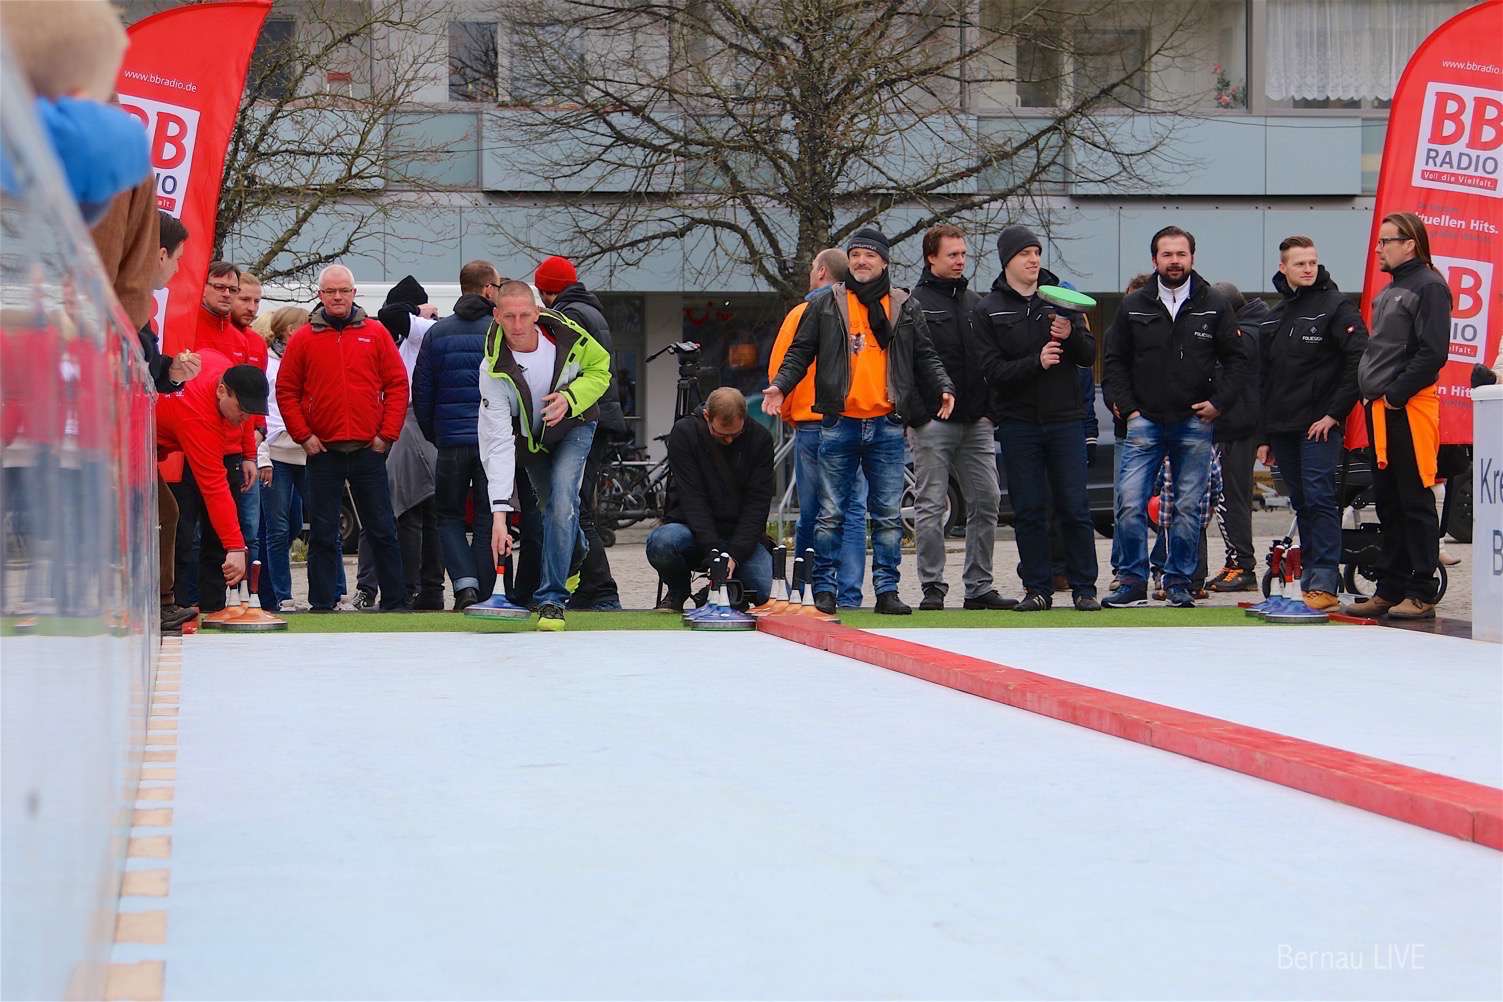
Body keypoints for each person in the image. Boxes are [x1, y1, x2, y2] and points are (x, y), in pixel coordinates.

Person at [763, 227, 955, 616]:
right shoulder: (827, 303)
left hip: (886, 423)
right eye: (855, 255)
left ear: (884, 261)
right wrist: (781, 386)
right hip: (840, 422)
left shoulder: (903, 304)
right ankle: (825, 590)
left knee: (886, 515)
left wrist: (943, 386)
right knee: (830, 514)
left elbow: (925, 355)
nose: (861, 261)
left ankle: (887, 591)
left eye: (869, 255)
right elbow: (800, 351)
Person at [1102, 225, 1247, 608]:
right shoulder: (1133, 305)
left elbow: (1237, 361)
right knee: (1129, 503)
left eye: (1181, 254)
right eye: (1167, 254)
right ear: (1155, 260)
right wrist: (1128, 409)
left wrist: (1218, 403)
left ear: (1192, 257)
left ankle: (1179, 582)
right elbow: (1114, 361)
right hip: (1144, 422)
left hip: (1194, 422)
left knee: (1188, 507)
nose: (1175, 261)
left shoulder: (1214, 304)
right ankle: (1131, 581)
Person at [972, 224, 1098, 611]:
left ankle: (1084, 589)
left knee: (1075, 507)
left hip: (1066, 420)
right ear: (1007, 260)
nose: (1033, 260)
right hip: (1019, 423)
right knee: (1028, 510)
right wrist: (1036, 362)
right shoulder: (988, 308)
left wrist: (1071, 333)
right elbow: (991, 371)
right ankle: (1037, 589)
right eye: (1025, 253)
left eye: (1037, 253)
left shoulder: (1061, 299)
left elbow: (1088, 355)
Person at [275, 265, 410, 612]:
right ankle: (322, 604)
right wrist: (304, 436)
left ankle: (395, 603)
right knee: (322, 532)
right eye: (330, 291)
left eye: (344, 290)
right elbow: (286, 390)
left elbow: (397, 385)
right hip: (323, 451)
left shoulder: (376, 334)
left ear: (353, 293)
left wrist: (386, 435)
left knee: (382, 528)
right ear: (320, 295)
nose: (337, 297)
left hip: (369, 449)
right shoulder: (303, 339)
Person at [478, 281, 611, 631]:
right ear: (497, 316)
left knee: (563, 501)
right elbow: (498, 443)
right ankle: (574, 553)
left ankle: (551, 599)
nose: (517, 324)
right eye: (509, 316)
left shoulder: (567, 334)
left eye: (524, 315)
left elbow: (601, 369)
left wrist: (569, 398)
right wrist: (499, 516)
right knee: (552, 509)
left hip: (576, 424)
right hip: (532, 441)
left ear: (537, 313)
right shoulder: (491, 369)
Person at [1345, 213, 1450, 620]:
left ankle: (1421, 591)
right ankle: (1389, 588)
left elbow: (1433, 351)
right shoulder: (1392, 289)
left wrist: (1396, 394)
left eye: (1386, 241)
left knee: (1415, 500)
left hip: (1408, 408)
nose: (1378, 248)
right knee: (1389, 501)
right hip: (1382, 409)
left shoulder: (1429, 286)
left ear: (1409, 244)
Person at [1256, 238, 1367, 612]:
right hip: (1282, 427)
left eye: (1312, 262)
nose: (1308, 269)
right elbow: (1263, 379)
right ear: (1283, 267)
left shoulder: (1336, 306)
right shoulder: (1274, 315)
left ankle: (1323, 581)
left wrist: (1334, 414)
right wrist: (1264, 436)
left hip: (1320, 424)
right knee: (1302, 501)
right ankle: (1310, 580)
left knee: (1320, 498)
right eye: (1300, 263)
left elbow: (1358, 360)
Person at [905, 224, 1009, 611]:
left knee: (987, 500)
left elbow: (990, 359)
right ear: (931, 257)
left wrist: (989, 412)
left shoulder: (975, 303)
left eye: (963, 254)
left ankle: (979, 586)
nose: (960, 260)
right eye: (952, 254)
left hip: (976, 421)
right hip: (932, 423)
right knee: (931, 505)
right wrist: (919, 416)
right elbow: (905, 364)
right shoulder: (913, 303)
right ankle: (932, 586)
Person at [766, 247, 868, 610]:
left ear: (822, 271)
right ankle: (851, 593)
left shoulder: (802, 313)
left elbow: (781, 368)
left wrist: (790, 413)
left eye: (813, 267)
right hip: (853, 420)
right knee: (853, 509)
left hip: (813, 423)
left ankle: (807, 587)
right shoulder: (860, 312)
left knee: (812, 511)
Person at [534, 255, 624, 611]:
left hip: (582, 416)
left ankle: (601, 589)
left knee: (572, 506)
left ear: (546, 291)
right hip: (600, 414)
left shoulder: (567, 316)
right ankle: (591, 586)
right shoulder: (592, 310)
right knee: (576, 504)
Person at [413, 261, 503, 609]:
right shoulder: (498, 331)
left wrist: (436, 434)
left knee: (448, 517)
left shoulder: (437, 333)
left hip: (450, 441)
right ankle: (484, 592)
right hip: (491, 442)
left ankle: (464, 586)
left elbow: (422, 391)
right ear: (488, 289)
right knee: (486, 517)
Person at [352, 276, 444, 610]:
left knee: (409, 510)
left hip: (411, 424)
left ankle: (415, 588)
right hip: (392, 424)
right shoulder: (393, 336)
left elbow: (390, 313)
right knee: (393, 509)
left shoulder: (422, 331)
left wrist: (417, 313)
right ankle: (388, 587)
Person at [156, 354, 270, 613]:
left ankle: (164, 604)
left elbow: (244, 416)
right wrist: (235, 546)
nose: (244, 419)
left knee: (167, 514)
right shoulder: (198, 417)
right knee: (166, 518)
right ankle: (161, 605)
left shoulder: (222, 368)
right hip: (128, 441)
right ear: (221, 391)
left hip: (152, 441)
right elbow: (214, 486)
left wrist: (248, 452)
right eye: (241, 409)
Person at [175, 262, 258, 608]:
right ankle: (177, 603)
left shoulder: (241, 340)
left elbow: (248, 402)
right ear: (203, 287)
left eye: (232, 289)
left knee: (217, 534)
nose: (226, 294)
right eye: (219, 287)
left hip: (228, 450)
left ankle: (215, 606)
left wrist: (249, 452)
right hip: (185, 446)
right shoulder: (184, 325)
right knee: (182, 531)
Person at [647, 388, 776, 608]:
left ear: (744, 417)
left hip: (740, 535)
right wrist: (714, 553)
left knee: (769, 592)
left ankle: (721, 592)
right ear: (707, 416)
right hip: (691, 530)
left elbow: (757, 505)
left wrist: (734, 555)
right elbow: (692, 499)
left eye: (735, 434)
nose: (729, 440)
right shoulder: (685, 433)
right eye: (721, 434)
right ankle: (678, 590)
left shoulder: (760, 439)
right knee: (662, 543)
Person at [146, 213, 202, 629]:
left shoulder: (135, 302)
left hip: (130, 436)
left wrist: (172, 371)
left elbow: (146, 366)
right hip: (116, 436)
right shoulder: (128, 301)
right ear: (161, 254)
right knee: (163, 511)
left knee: (165, 510)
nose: (179, 268)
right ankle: (154, 601)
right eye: (178, 258)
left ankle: (159, 600)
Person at [1205, 281, 1269, 593]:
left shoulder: (1244, 336)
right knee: (1232, 497)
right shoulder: (1256, 328)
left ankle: (1242, 566)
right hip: (1242, 425)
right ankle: (1236, 562)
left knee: (1231, 498)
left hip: (1235, 426)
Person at [253, 306, 314, 612]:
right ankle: (281, 595)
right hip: (277, 452)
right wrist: (262, 456)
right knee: (277, 529)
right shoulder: (267, 365)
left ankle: (334, 592)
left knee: (313, 523)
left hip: (308, 451)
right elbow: (261, 413)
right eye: (306, 326)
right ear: (291, 331)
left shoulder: (309, 359)